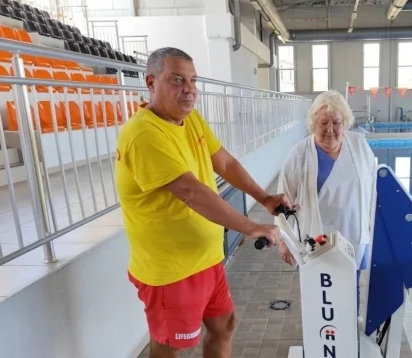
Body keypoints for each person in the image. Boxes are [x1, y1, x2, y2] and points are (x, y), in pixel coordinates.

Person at [115, 47, 291, 358]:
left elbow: (225, 162)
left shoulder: (191, 119)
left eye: (193, 81)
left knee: (224, 325)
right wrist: (250, 227)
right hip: (172, 270)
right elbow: (191, 191)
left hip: (206, 259)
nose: (189, 90)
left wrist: (264, 198)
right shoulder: (143, 133)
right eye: (177, 80)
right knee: (170, 346)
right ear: (151, 82)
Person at [274, 90, 376, 307]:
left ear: (345, 123)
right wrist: (283, 240)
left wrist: (373, 227)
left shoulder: (359, 146)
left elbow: (373, 187)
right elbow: (282, 199)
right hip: (316, 237)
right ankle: (321, 340)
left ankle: (349, 340)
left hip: (352, 236)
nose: (330, 129)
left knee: (349, 295)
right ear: (313, 124)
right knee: (319, 296)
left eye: (336, 122)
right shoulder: (299, 154)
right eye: (323, 123)